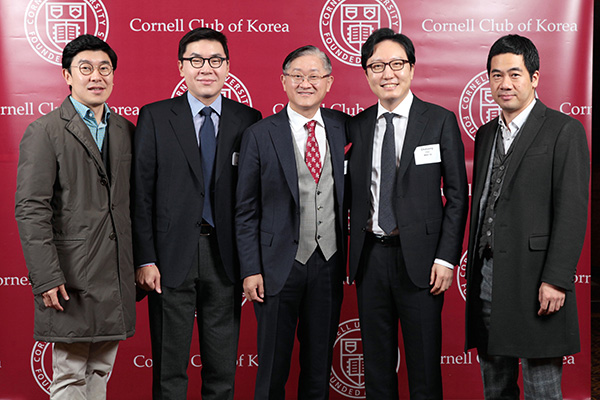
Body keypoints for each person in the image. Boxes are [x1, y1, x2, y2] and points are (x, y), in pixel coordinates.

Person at [132, 27, 261, 400]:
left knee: (222, 369)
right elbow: (141, 195)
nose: (206, 68)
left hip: (226, 257)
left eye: (215, 60)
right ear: (181, 67)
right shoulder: (155, 117)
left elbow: (254, 198)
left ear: (227, 67)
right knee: (169, 369)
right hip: (169, 258)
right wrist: (146, 257)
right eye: (196, 60)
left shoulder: (248, 119)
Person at [464, 34, 589, 399]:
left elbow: (572, 211)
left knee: (542, 387)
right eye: (496, 75)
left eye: (515, 74)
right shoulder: (486, 133)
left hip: (538, 281)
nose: (505, 84)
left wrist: (556, 279)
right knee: (496, 384)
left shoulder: (564, 130)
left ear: (534, 78)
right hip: (488, 278)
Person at [346, 28, 468, 399]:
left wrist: (447, 259)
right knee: (377, 369)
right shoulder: (358, 125)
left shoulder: (439, 120)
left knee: (425, 370)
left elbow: (458, 196)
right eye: (377, 66)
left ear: (412, 69)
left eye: (397, 64)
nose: (388, 73)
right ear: (367, 73)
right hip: (370, 259)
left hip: (422, 261)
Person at [15, 34, 135, 399]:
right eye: (85, 68)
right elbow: (31, 208)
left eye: (104, 68)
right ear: (67, 75)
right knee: (69, 375)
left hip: (114, 272)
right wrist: (46, 276)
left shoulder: (125, 130)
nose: (96, 76)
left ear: (113, 76)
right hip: (70, 276)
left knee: (100, 370)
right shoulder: (45, 131)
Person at [236, 45, 348, 400]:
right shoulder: (259, 134)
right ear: (283, 81)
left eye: (314, 76)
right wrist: (251, 269)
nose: (305, 83)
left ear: (329, 82)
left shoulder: (342, 128)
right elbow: (245, 209)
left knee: (318, 369)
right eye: (296, 76)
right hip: (274, 268)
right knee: (272, 369)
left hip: (329, 263)